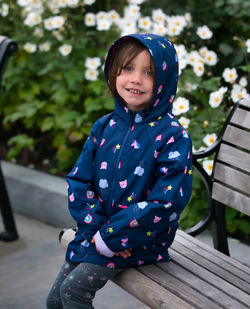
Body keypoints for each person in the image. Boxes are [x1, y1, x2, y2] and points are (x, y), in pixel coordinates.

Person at [46, 33, 192, 309]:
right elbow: (79, 179)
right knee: (55, 301)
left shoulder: (173, 136)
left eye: (148, 72)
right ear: (114, 72)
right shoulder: (105, 127)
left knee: (73, 293)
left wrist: (111, 236)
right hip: (97, 232)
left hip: (141, 240)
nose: (135, 79)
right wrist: (96, 230)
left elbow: (166, 202)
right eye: (128, 68)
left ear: (165, 80)